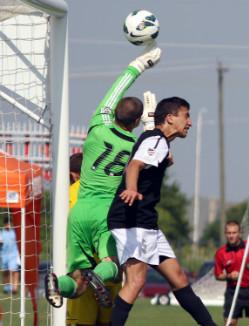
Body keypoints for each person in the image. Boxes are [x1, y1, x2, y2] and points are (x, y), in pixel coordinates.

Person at [45, 47, 161, 308]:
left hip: (79, 211)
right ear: (135, 122)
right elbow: (151, 153)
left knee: (74, 285)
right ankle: (98, 277)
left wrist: (138, 65)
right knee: (113, 265)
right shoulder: (135, 143)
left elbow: (115, 90)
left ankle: (54, 280)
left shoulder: (98, 126)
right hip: (105, 214)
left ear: (116, 113)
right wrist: (151, 124)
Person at [107, 97, 217, 326]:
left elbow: (145, 162)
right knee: (136, 282)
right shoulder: (156, 140)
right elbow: (135, 165)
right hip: (131, 220)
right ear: (170, 118)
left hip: (146, 221)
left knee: (178, 278)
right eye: (186, 116)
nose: (190, 122)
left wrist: (163, 161)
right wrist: (131, 189)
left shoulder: (159, 143)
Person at [67, 152, 121, 326]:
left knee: (82, 321)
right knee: (107, 321)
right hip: (111, 262)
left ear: (73, 174)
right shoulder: (111, 188)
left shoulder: (72, 192)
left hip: (84, 267)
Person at [214, 220, 249, 326]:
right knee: (230, 323)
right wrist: (229, 276)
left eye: (234, 233)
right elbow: (218, 275)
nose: (231, 236)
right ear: (225, 234)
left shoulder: (248, 247)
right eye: (229, 233)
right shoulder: (221, 253)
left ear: (239, 233)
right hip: (233, 291)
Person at [0, 217, 20, 294]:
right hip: (4, 255)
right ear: (4, 224)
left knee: (13, 271)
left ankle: (14, 288)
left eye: (9, 223)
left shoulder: (14, 232)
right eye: (7, 223)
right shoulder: (1, 233)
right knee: (5, 272)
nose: (8, 225)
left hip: (13, 255)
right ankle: (6, 287)